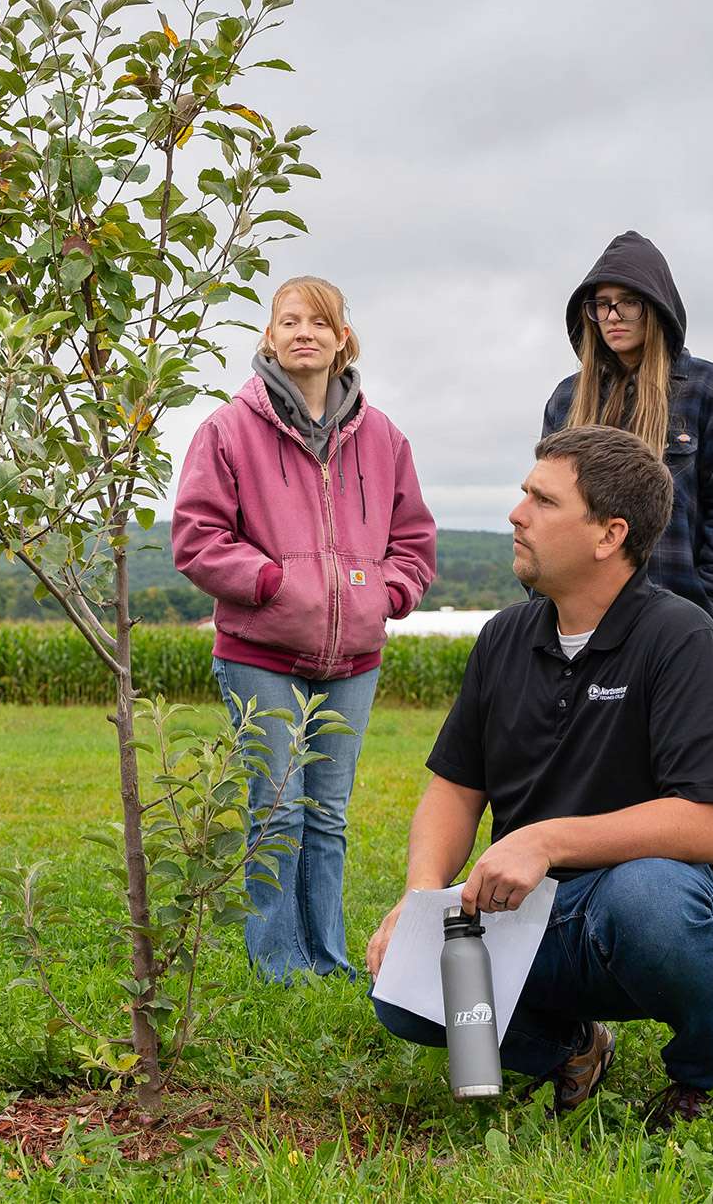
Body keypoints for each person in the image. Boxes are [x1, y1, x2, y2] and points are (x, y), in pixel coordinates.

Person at [366, 425, 713, 1132]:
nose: (517, 514)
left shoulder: (680, 636)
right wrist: (421, 899)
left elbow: (708, 822)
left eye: (542, 501)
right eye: (523, 496)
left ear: (609, 535)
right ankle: (571, 1048)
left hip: (644, 910)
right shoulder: (505, 637)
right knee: (403, 988)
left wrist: (545, 838)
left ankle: (707, 1075)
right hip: (525, 912)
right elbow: (453, 790)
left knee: (652, 897)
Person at [173, 275, 437, 982]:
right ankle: (277, 962)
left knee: (326, 816)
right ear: (268, 336)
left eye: (318, 322)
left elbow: (413, 540)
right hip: (261, 651)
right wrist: (272, 583)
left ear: (342, 339)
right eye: (288, 321)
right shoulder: (228, 429)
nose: (303, 333)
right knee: (278, 810)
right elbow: (196, 538)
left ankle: (327, 956)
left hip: (353, 656)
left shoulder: (382, 437)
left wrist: (387, 592)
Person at [543, 231, 713, 632]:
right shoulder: (567, 400)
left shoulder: (711, 391)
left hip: (676, 619)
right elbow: (544, 505)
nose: (612, 316)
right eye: (601, 305)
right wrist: (545, 603)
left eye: (628, 303)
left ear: (657, 308)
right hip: (577, 624)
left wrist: (706, 615)